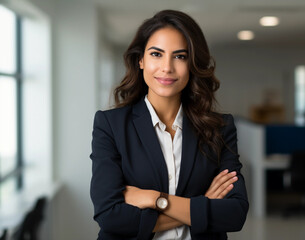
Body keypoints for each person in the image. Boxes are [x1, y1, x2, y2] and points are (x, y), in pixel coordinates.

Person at [90, 9, 249, 240]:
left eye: (180, 56)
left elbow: (235, 214)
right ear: (141, 60)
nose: (167, 67)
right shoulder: (111, 125)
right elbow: (109, 216)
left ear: (193, 64)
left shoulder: (220, 128)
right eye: (156, 54)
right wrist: (203, 205)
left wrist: (154, 199)